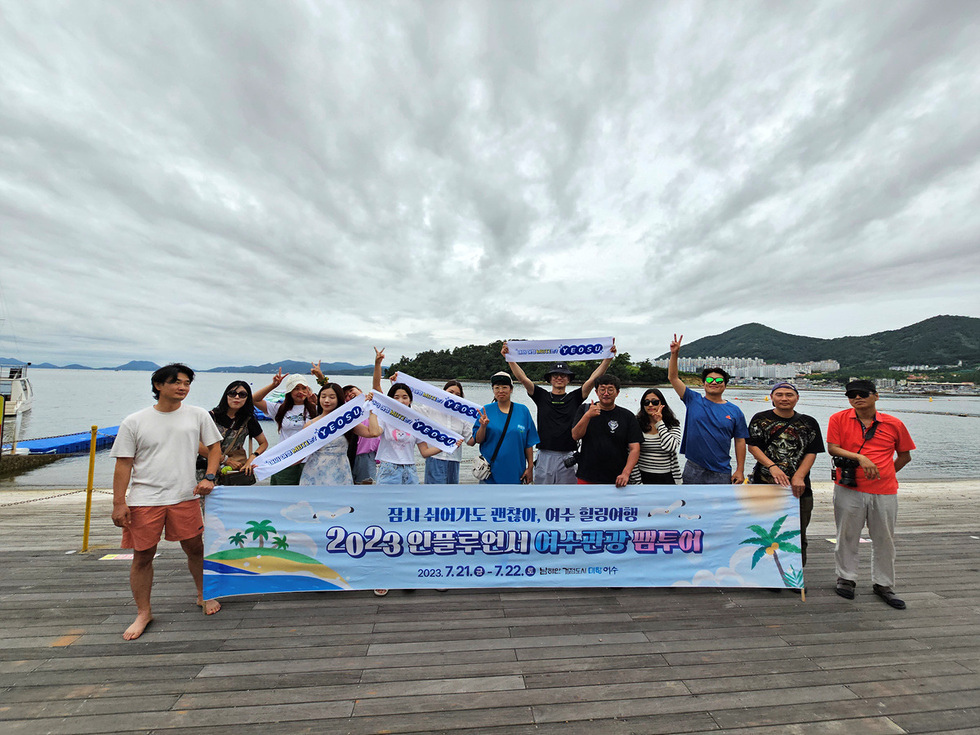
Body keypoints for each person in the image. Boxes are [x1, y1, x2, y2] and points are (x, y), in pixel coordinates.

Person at [110, 363, 223, 640]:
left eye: (186, 382)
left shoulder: (197, 415)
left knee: (195, 548)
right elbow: (124, 464)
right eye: (176, 382)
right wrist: (118, 503)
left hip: (185, 495)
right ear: (158, 386)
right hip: (144, 498)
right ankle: (143, 612)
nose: (182, 387)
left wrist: (209, 476)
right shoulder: (134, 421)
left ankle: (202, 594)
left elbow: (214, 448)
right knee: (142, 556)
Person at [827, 380, 915, 609]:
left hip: (884, 490)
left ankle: (883, 584)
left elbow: (905, 455)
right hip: (849, 487)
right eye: (852, 395)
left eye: (862, 394)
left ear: (876, 396)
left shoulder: (894, 424)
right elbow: (833, 448)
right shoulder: (838, 419)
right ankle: (846, 578)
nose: (857, 398)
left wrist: (885, 473)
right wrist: (861, 458)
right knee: (846, 535)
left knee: (885, 538)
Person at [502, 342, 615, 484]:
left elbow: (592, 380)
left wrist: (608, 359)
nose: (559, 378)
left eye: (563, 375)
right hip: (544, 454)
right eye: (555, 375)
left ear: (568, 379)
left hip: (568, 455)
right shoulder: (541, 396)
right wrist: (509, 358)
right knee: (542, 496)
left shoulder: (574, 397)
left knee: (567, 498)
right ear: (549, 379)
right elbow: (523, 378)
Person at [746, 382, 824, 566]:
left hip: (798, 487)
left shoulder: (808, 423)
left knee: (797, 532)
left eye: (789, 394)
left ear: (797, 398)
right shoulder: (760, 419)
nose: (784, 398)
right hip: (765, 485)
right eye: (779, 394)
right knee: (765, 531)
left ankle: (795, 573)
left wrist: (799, 476)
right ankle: (769, 574)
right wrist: (772, 466)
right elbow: (753, 446)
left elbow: (811, 452)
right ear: (772, 398)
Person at [667, 333, 748, 484]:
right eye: (710, 380)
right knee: (690, 506)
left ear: (725, 384)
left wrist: (740, 469)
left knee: (718, 507)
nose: (714, 382)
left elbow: (740, 441)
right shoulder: (693, 399)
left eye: (719, 380)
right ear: (704, 384)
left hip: (721, 470)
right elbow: (673, 378)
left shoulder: (735, 411)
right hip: (694, 467)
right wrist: (675, 354)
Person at [372, 347, 450, 485]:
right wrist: (378, 364)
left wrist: (447, 444)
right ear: (390, 399)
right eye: (396, 397)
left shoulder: (415, 421)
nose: (401, 401)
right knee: (386, 504)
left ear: (410, 400)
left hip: (410, 471)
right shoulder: (385, 416)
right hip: (389, 469)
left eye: (404, 397)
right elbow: (376, 388)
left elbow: (424, 452)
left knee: (410, 506)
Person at [300, 383, 381, 486]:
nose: (326, 400)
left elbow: (373, 433)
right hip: (315, 471)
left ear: (339, 399)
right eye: (323, 396)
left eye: (332, 397)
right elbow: (300, 452)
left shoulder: (346, 421)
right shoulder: (310, 425)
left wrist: (372, 409)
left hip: (340, 471)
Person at [571, 374, 641, 486]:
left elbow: (635, 448)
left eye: (610, 390)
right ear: (596, 392)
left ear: (617, 392)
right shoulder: (584, 410)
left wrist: (626, 473)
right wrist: (587, 416)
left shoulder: (627, 416)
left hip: (617, 479)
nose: (606, 393)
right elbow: (575, 435)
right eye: (602, 390)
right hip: (587, 475)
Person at [473, 372, 539, 484]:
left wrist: (530, 467)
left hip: (516, 471)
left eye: (504, 387)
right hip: (490, 473)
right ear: (493, 390)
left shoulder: (523, 411)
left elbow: (528, 443)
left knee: (515, 501)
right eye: (497, 387)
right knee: (489, 501)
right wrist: (483, 426)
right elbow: (478, 439)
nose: (501, 391)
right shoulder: (486, 410)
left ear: (511, 389)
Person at [253, 369, 318, 485]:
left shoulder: (315, 409)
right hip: (285, 460)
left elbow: (337, 408)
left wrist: (318, 403)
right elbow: (254, 399)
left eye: (304, 388)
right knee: (283, 497)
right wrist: (273, 385)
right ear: (289, 391)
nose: (300, 392)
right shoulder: (279, 409)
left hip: (310, 461)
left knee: (308, 498)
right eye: (296, 388)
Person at [197, 381, 269, 481]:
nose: (237, 397)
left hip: (232, 472)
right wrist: (225, 460)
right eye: (232, 393)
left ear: (247, 398)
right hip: (205, 468)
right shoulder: (211, 417)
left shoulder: (248, 420)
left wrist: (251, 459)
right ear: (226, 395)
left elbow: (263, 443)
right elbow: (197, 444)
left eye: (242, 394)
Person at [408, 378, 475, 484]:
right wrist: (398, 384)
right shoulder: (430, 409)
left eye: (458, 394)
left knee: (451, 495)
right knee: (434, 495)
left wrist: (483, 427)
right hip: (435, 459)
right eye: (451, 392)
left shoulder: (462, 417)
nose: (454, 396)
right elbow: (408, 409)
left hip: (454, 460)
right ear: (443, 393)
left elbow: (470, 440)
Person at [633, 388, 682, 484]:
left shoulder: (672, 424)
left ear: (662, 404)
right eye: (646, 402)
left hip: (667, 476)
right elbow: (631, 452)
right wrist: (637, 482)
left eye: (655, 402)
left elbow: (670, 447)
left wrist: (659, 422)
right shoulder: (636, 424)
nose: (650, 405)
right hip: (643, 475)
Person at [343, 384, 381, 484]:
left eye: (351, 390)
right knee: (348, 485)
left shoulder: (373, 403)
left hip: (366, 456)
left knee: (367, 487)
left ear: (360, 390)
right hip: (349, 456)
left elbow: (377, 385)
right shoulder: (347, 412)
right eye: (346, 395)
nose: (349, 394)